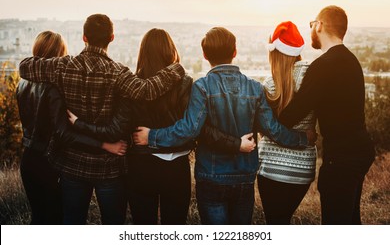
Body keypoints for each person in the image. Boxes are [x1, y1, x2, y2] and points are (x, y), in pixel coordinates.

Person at [67, 28, 255, 224]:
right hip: (175, 166)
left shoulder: (131, 83)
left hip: (140, 164)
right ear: (170, 50)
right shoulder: (186, 84)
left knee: (143, 223)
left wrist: (83, 125)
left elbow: (121, 127)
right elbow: (193, 127)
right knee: (174, 225)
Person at [133, 27, 316, 225]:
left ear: (204, 55)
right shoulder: (255, 88)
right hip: (244, 177)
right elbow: (272, 129)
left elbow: (189, 129)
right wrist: (302, 138)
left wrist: (151, 136)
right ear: (235, 52)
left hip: (211, 177)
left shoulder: (201, 87)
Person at [18, 14, 186, 225]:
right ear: (112, 38)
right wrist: (176, 68)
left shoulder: (63, 66)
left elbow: (25, 67)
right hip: (109, 168)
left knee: (72, 223)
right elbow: (147, 90)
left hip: (73, 164)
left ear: (84, 37)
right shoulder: (118, 72)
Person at [16, 31, 126, 225]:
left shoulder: (23, 83)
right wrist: (103, 144)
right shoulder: (52, 88)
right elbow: (63, 134)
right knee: (55, 220)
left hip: (28, 159)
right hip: (50, 161)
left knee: (39, 218)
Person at [279, 6, 375, 224]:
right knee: (350, 221)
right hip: (359, 151)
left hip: (341, 158)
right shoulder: (352, 61)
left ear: (319, 25)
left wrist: (266, 115)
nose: (311, 29)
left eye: (312, 24)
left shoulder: (323, 66)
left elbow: (293, 114)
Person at [257, 21, 317, 224]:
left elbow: (266, 130)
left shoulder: (270, 84)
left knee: (274, 222)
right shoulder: (312, 76)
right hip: (302, 168)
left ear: (274, 53)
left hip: (270, 168)